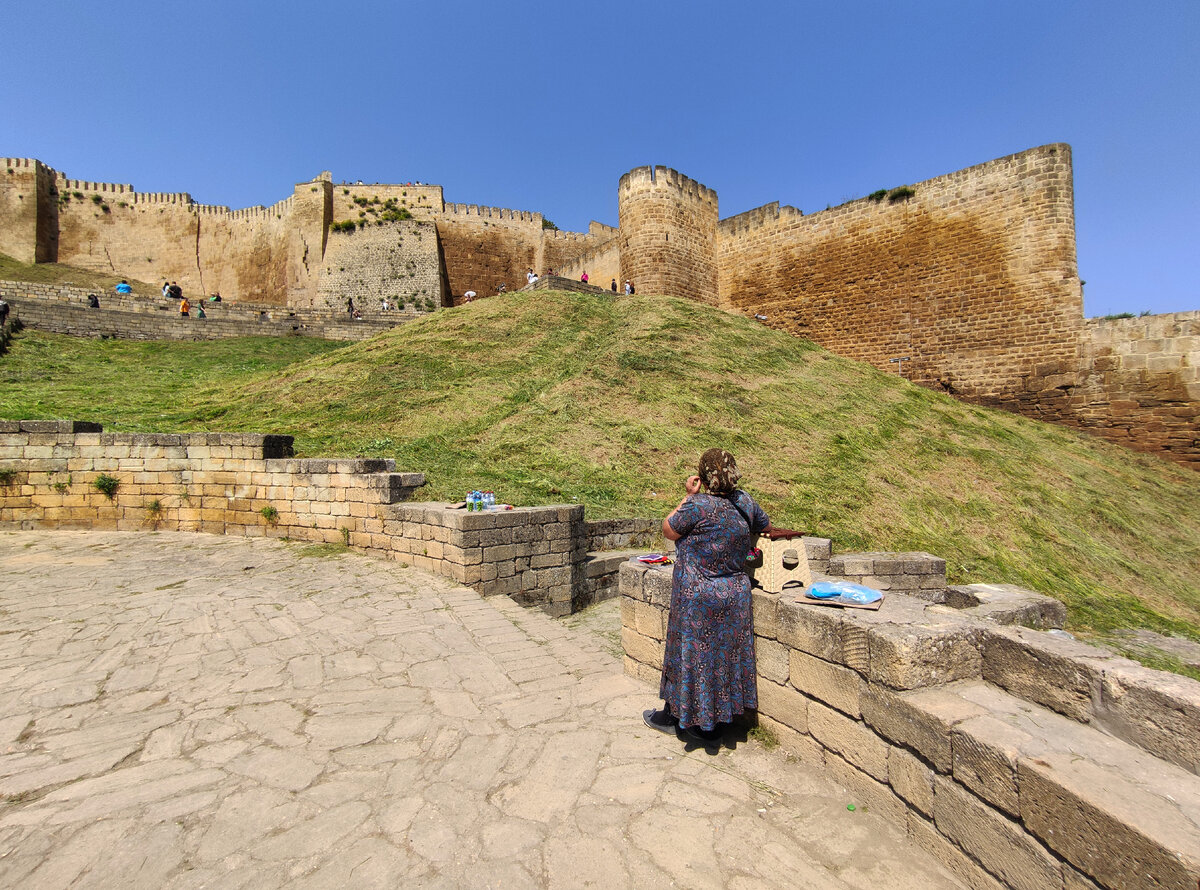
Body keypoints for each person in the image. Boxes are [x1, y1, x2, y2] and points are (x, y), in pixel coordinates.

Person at [643, 448, 770, 747]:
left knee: (688, 659)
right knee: (722, 662)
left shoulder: (697, 506)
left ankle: (684, 720)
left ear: (703, 475)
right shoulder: (745, 501)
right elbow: (764, 525)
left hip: (696, 598)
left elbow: (668, 530)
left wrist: (686, 495)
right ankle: (713, 725)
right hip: (734, 596)